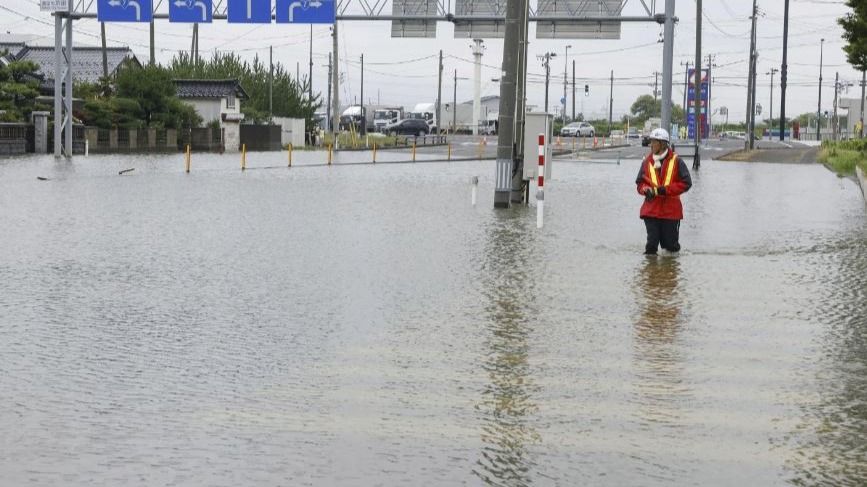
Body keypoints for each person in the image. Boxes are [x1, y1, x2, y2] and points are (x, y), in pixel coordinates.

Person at [635, 128, 692, 255]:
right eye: (652, 142)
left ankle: (668, 272)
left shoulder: (677, 161)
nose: (652, 145)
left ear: (663, 144)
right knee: (651, 246)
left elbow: (687, 183)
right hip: (651, 210)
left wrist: (664, 190)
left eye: (655, 142)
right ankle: (652, 273)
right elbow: (639, 183)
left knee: (671, 248)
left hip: (670, 211)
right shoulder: (646, 162)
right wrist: (645, 190)